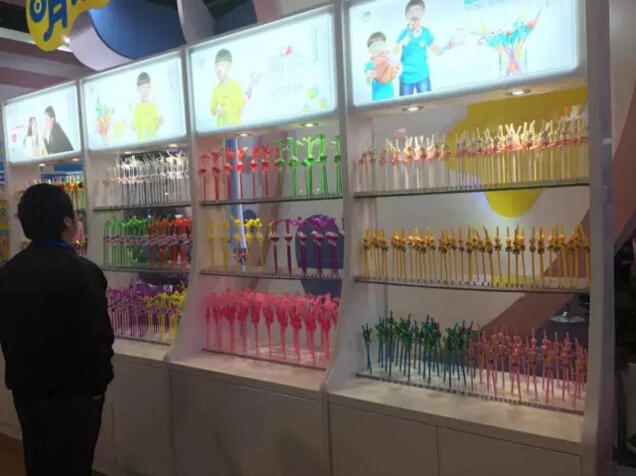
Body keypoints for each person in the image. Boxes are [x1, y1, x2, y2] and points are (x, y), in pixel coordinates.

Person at [0, 184, 114, 476]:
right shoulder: (83, 273)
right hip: (74, 397)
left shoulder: (8, 273)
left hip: (27, 393)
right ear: (66, 221)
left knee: (38, 463)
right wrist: (97, 389)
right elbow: (98, 339)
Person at [394, 0, 452, 96]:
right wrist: (402, 42)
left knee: (427, 102)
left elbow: (437, 51)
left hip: (422, 75)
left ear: (423, 12)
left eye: (417, 10)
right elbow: (394, 52)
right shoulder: (404, 33)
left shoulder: (426, 33)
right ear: (406, 16)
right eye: (410, 11)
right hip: (405, 76)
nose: (414, 13)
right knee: (404, 104)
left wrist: (446, 46)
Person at [211, 49, 245, 128]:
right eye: (217, 66)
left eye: (222, 65)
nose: (219, 69)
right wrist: (217, 110)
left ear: (229, 66)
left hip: (235, 128)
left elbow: (241, 108)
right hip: (221, 129)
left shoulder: (235, 86)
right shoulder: (216, 89)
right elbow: (212, 111)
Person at [365, 32, 400, 102]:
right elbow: (367, 81)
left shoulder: (388, 59)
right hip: (377, 98)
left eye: (382, 45)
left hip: (391, 96)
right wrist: (369, 77)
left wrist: (398, 70)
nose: (380, 48)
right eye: (376, 46)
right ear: (370, 49)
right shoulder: (369, 64)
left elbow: (396, 56)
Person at [133, 72, 164, 141]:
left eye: (146, 87)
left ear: (150, 87)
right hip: (140, 144)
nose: (144, 91)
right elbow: (133, 127)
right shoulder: (135, 108)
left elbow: (160, 122)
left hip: (154, 142)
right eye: (142, 88)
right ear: (138, 89)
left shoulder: (155, 107)